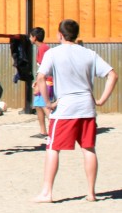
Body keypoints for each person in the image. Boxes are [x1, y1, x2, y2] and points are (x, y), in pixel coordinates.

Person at [34, 19, 117, 203]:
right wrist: (101, 99)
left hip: (66, 107)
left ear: (60, 35)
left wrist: (48, 102)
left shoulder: (53, 53)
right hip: (87, 106)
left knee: (53, 147)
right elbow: (112, 74)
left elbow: (41, 78)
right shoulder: (89, 53)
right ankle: (91, 193)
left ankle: (47, 192)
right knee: (88, 148)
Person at [29, 26, 53, 139]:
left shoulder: (44, 49)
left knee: (44, 105)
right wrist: (36, 81)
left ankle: (55, 130)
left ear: (34, 38)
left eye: (30, 36)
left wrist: (39, 84)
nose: (29, 38)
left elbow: (46, 69)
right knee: (38, 105)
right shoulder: (41, 48)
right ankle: (43, 131)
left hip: (47, 82)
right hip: (43, 80)